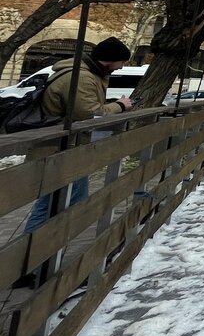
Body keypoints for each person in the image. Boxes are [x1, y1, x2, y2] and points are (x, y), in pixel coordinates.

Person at [17, 37, 134, 286]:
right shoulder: (81, 77)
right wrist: (120, 106)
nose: (121, 68)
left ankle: (36, 264)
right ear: (111, 59)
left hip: (68, 150)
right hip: (61, 151)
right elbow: (89, 113)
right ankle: (34, 266)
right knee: (57, 206)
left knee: (63, 204)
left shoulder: (89, 74)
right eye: (121, 62)